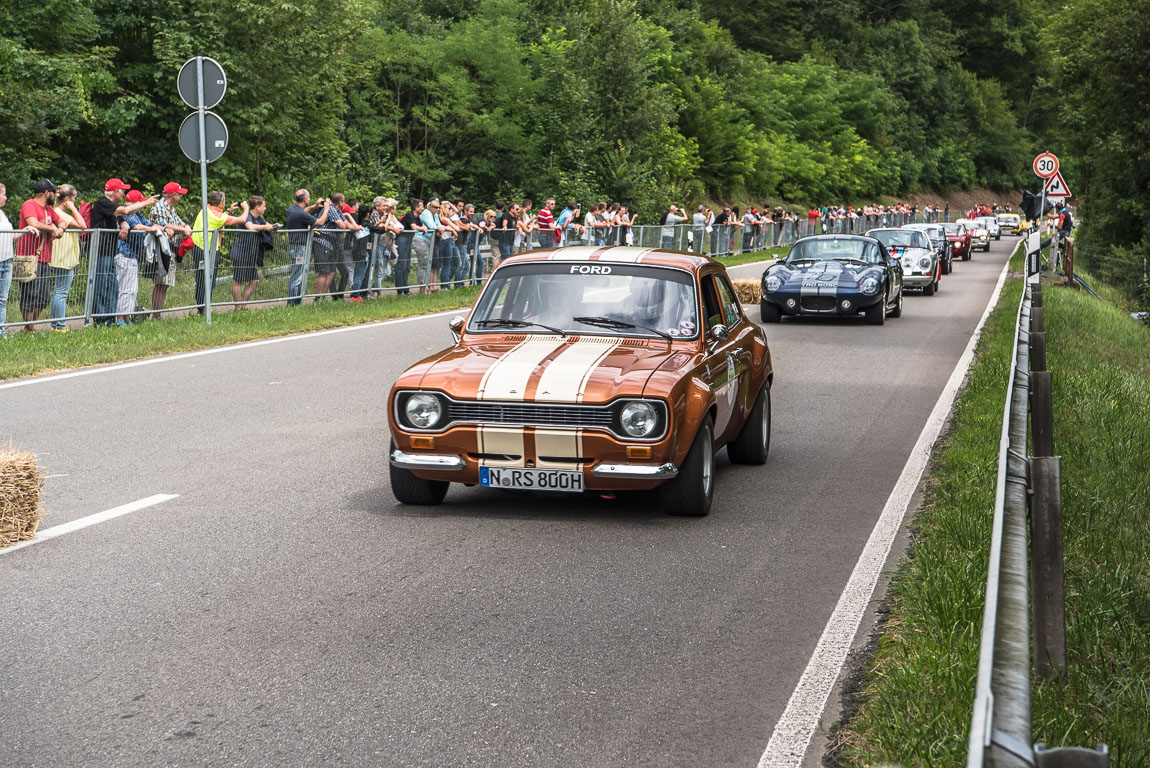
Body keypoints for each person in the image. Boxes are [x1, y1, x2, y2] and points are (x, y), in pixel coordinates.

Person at [89, 179, 155, 325]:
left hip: (110, 251)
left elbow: (121, 217)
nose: (124, 193)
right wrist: (147, 202)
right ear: (114, 192)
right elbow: (124, 211)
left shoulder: (111, 206)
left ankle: (110, 318)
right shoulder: (103, 203)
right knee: (102, 285)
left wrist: (124, 225)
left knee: (113, 286)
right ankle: (100, 320)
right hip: (101, 251)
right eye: (122, 190)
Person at [14, 180, 64, 333]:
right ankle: (30, 329)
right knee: (29, 295)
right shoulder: (29, 204)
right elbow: (33, 222)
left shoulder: (48, 209)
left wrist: (60, 229)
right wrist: (51, 229)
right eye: (53, 192)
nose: (55, 195)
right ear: (46, 192)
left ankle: (28, 327)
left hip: (44, 257)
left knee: (44, 298)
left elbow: (61, 220)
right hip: (28, 257)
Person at [191, 190, 248, 313]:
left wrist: (228, 210)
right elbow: (242, 219)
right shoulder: (218, 217)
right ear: (221, 202)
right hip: (208, 251)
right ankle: (203, 310)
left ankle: (203, 308)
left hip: (199, 248)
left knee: (202, 279)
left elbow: (220, 217)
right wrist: (246, 208)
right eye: (224, 200)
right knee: (208, 281)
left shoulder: (205, 209)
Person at [114, 190, 164, 325]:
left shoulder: (137, 214)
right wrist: (153, 230)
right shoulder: (127, 211)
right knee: (125, 288)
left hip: (133, 255)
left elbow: (148, 224)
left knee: (132, 288)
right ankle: (120, 318)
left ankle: (127, 317)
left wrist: (163, 228)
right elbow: (137, 226)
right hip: (125, 254)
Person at [148, 182, 192, 318]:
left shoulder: (170, 208)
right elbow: (163, 224)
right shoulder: (160, 207)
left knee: (165, 284)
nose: (181, 196)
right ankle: (156, 315)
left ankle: (157, 314)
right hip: (161, 249)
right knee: (161, 283)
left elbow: (178, 223)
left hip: (170, 248)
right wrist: (183, 229)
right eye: (180, 194)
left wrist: (186, 226)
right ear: (173, 195)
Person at [48, 184, 86, 331]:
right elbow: (82, 225)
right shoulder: (61, 214)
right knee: (61, 292)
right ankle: (60, 325)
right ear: (67, 199)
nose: (76, 201)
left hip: (63, 256)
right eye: (74, 198)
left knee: (58, 291)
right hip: (64, 257)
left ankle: (55, 324)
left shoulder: (56, 212)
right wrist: (73, 208)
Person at [284, 189, 330, 306]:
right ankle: (292, 304)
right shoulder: (302, 214)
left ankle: (295, 302)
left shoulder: (291, 209)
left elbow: (304, 210)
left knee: (297, 275)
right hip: (300, 248)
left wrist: (315, 206)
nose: (310, 199)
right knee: (297, 277)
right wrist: (326, 209)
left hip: (293, 246)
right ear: (305, 199)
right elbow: (320, 222)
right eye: (309, 197)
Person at [0, 182, 32, 338]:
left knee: (2, 299)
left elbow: (9, 237)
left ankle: (1, 331)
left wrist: (24, 231)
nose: (6, 197)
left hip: (6, 260)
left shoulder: (2, 214)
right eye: (4, 194)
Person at [232, 195, 275, 309]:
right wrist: (265, 228)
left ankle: (243, 304)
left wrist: (273, 227)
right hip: (241, 252)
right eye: (264, 206)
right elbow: (250, 227)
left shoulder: (259, 218)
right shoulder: (248, 216)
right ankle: (237, 307)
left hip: (251, 254)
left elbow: (267, 225)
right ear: (257, 207)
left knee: (254, 281)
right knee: (238, 281)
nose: (265, 208)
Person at [396, 199, 426, 294]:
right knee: (401, 265)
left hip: (408, 241)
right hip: (402, 240)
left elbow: (422, 225)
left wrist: (423, 228)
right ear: (416, 208)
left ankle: (406, 288)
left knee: (407, 266)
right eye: (421, 206)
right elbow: (414, 227)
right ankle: (400, 290)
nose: (423, 208)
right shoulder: (410, 215)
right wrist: (422, 229)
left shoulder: (417, 217)